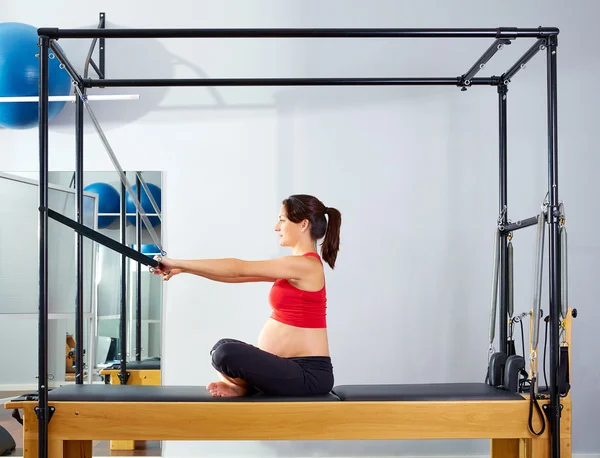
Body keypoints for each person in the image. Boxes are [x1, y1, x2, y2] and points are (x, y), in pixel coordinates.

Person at [152, 194, 342, 398]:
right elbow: (236, 277)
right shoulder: (295, 266)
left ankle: (242, 387)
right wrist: (185, 270)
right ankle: (241, 387)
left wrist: (179, 262)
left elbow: (239, 268)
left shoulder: (306, 265)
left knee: (226, 354)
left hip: (308, 374)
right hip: (288, 367)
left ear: (303, 224)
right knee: (223, 346)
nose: (276, 227)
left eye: (282, 220)